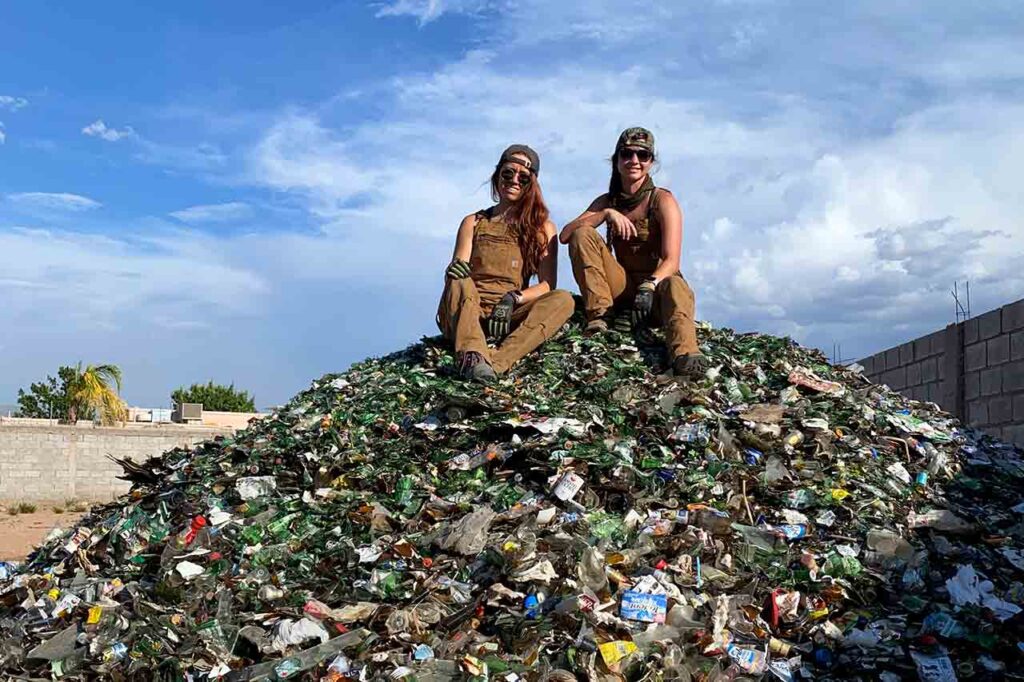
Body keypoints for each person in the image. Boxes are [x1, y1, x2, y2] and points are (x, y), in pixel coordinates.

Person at [559, 127, 708, 379]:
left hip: (657, 291)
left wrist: (649, 286)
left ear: (651, 162)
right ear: (616, 160)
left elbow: (672, 260)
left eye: (643, 155)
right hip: (625, 289)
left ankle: (685, 355)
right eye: (627, 154)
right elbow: (565, 235)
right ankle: (600, 315)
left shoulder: (662, 200)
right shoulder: (607, 201)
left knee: (675, 285)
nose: (634, 161)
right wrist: (605, 214)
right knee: (583, 234)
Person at [438, 144, 574, 383]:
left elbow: (547, 285)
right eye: (508, 173)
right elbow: (459, 268)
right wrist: (453, 270)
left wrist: (513, 299)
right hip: (469, 311)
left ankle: (497, 361)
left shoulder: (542, 228)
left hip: (508, 313)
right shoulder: (474, 221)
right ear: (497, 176)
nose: (514, 181)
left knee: (563, 299)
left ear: (531, 184)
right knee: (459, 279)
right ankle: (472, 355)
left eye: (523, 177)